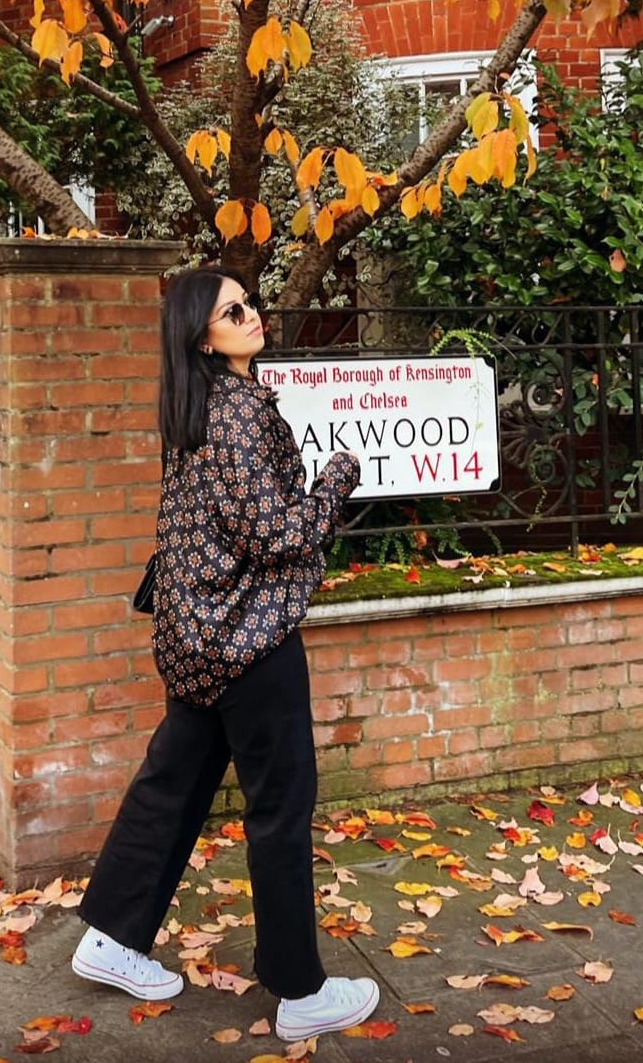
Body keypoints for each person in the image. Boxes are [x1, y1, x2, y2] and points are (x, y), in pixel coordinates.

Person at [73, 266, 379, 1041]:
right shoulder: (236, 410)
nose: (252, 315)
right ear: (199, 334)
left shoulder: (194, 406)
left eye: (249, 303)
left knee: (170, 786)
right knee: (280, 807)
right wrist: (339, 477)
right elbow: (276, 534)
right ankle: (299, 991)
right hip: (249, 639)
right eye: (231, 310)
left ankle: (110, 937)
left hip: (197, 638)